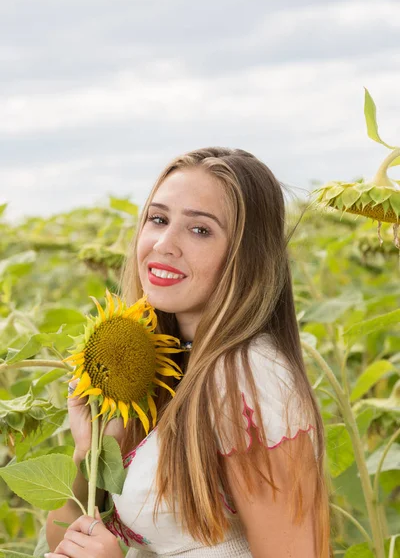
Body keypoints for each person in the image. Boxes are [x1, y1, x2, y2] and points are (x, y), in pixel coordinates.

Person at [45, 147, 331, 558]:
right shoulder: (159, 363)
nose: (164, 244)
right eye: (158, 219)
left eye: (200, 230)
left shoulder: (252, 378)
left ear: (246, 256)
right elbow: (69, 541)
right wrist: (88, 454)